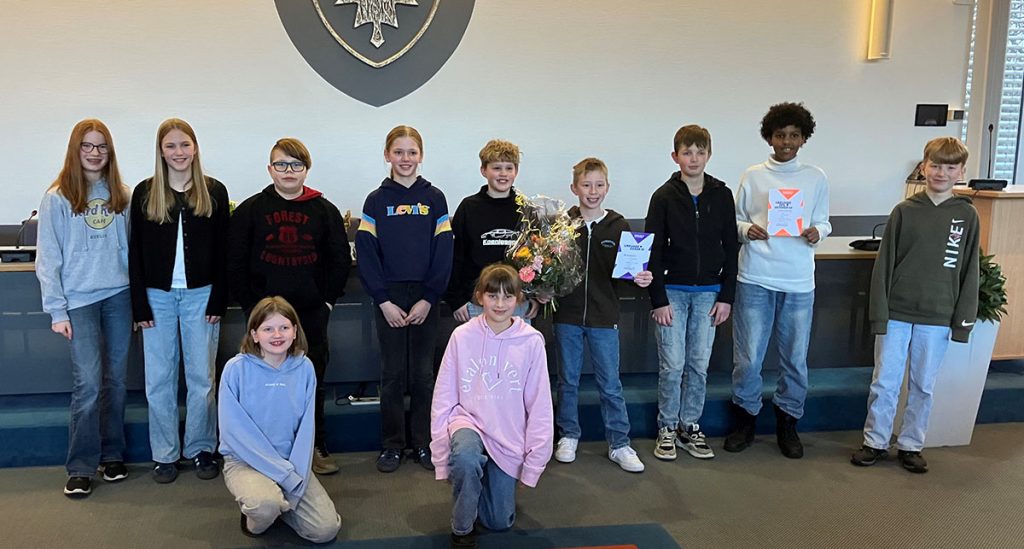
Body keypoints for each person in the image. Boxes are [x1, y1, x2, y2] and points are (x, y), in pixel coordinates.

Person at [851, 137, 980, 474]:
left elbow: (970, 270)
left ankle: (911, 444)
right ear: (924, 167)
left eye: (950, 167)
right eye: (935, 165)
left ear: (961, 171)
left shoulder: (966, 215)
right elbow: (884, 266)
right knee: (885, 381)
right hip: (896, 312)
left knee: (923, 385)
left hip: (937, 316)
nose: (941, 173)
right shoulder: (904, 211)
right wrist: (879, 314)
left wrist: (963, 322)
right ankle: (875, 441)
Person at [227, 138, 351, 475]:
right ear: (270, 169)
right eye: (281, 164)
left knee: (312, 381)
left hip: (310, 313)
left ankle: (315, 446)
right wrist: (253, 309)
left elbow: (339, 259)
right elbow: (235, 261)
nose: (288, 171)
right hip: (265, 319)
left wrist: (327, 301)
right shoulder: (250, 210)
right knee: (264, 384)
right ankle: (266, 451)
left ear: (306, 170)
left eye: (296, 165)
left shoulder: (324, 210)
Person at [725, 102, 831, 459]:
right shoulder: (753, 176)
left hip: (798, 281)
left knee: (795, 359)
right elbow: (734, 221)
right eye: (780, 135)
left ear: (804, 138)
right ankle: (745, 419)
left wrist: (818, 232)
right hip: (755, 276)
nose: (787, 142)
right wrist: (746, 230)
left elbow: (824, 221)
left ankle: (788, 421)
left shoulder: (816, 177)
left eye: (794, 135)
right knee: (748, 358)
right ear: (769, 137)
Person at [35, 119, 132, 497]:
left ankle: (113, 454)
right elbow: (48, 258)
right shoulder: (57, 197)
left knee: (117, 382)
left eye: (101, 146)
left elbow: (133, 250)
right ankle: (80, 466)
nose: (94, 153)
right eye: (87, 146)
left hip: (120, 296)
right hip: (79, 302)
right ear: (75, 150)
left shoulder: (122, 194)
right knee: (88, 384)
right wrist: (56, 310)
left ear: (110, 152)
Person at [129, 118, 229, 483]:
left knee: (202, 378)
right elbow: (135, 253)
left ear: (195, 148)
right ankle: (165, 454)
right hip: (157, 297)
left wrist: (219, 299)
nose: (179, 152)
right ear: (160, 151)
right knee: (159, 379)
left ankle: (202, 448)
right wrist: (139, 305)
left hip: (202, 296)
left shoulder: (213, 191)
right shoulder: (145, 192)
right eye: (170, 146)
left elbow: (224, 251)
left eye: (185, 144)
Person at [430, 263, 553, 549]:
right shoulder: (462, 336)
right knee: (466, 458)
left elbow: (540, 407)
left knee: (499, 522)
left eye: (507, 296)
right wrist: (441, 456)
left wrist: (533, 464)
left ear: (519, 299)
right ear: (479, 297)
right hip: (467, 422)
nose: (499, 304)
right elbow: (443, 396)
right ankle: (461, 528)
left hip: (507, 435)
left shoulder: (532, 342)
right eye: (492, 295)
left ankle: (481, 478)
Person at [356, 125, 454, 473]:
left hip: (426, 297)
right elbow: (367, 253)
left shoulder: (435, 198)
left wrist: (429, 298)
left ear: (421, 156)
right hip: (390, 298)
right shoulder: (376, 200)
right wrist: (383, 300)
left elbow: (443, 252)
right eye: (398, 152)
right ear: (387, 155)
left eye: (412, 152)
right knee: (393, 374)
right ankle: (393, 444)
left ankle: (424, 442)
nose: (405, 158)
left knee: (424, 375)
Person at [645, 126, 739, 462]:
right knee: (672, 365)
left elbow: (732, 247)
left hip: (709, 295)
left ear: (709, 155)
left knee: (698, 365)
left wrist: (727, 296)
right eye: (687, 152)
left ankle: (689, 426)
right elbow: (652, 250)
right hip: (672, 292)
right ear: (676, 157)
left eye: (700, 152)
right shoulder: (663, 196)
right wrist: (658, 299)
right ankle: (667, 427)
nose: (694, 159)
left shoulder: (722, 195)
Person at [551, 157, 650, 473]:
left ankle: (619, 443)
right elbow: (550, 268)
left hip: (604, 317)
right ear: (574, 188)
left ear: (607, 187)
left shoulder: (618, 226)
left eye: (598, 185)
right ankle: (568, 435)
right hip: (566, 316)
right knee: (568, 381)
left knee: (610, 383)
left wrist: (639, 278)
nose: (592, 192)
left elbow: (625, 274)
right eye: (586, 185)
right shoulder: (562, 225)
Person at [219, 297, 341, 542]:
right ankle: (262, 512)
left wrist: (292, 474)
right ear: (254, 335)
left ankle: (280, 505)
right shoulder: (235, 369)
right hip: (247, 462)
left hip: (291, 464)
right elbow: (234, 432)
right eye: (268, 329)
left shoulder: (305, 367)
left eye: (284, 327)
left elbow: (306, 430)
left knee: (325, 530)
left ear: (295, 331)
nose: (277, 335)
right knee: (264, 505)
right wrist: (283, 476)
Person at [446, 139, 534, 322]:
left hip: (517, 303)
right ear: (483, 170)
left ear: (516, 171)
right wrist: (456, 300)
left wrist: (536, 298)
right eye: (496, 168)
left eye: (509, 168)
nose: (503, 174)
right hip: (476, 302)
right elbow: (454, 257)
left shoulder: (527, 210)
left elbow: (538, 258)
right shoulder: (468, 207)